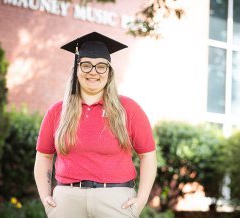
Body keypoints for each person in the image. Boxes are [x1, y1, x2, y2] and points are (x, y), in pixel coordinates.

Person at [34, 32, 157, 218]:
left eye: (101, 66)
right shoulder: (57, 111)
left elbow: (148, 156)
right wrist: (45, 197)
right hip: (67, 202)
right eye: (86, 65)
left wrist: (140, 201)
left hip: (116, 202)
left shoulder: (129, 109)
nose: (93, 71)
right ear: (76, 69)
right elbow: (43, 157)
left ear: (109, 72)